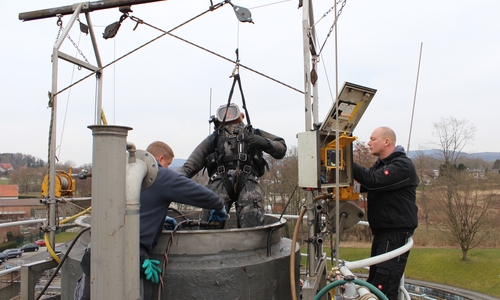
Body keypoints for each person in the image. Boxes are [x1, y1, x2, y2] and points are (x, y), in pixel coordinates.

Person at [75, 141, 227, 300]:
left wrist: (160, 218)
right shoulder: (160, 175)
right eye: (168, 164)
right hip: (130, 257)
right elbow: (204, 195)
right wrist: (218, 206)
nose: (168, 168)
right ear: (160, 159)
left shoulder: (120, 172)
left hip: (96, 253)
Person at [177, 103, 287, 228]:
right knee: (210, 219)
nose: (228, 114)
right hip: (220, 180)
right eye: (224, 113)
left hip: (249, 180)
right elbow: (193, 161)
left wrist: (265, 142)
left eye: (231, 111)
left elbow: (281, 148)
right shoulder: (215, 137)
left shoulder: (254, 133)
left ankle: (251, 244)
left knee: (252, 219)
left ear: (241, 114)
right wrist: (175, 181)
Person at [352, 126, 419, 300]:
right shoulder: (381, 165)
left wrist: (345, 160)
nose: (368, 143)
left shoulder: (402, 165)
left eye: (373, 139)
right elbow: (366, 184)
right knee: (375, 280)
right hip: (383, 233)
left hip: (394, 233)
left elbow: (373, 181)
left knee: (384, 284)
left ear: (386, 141)